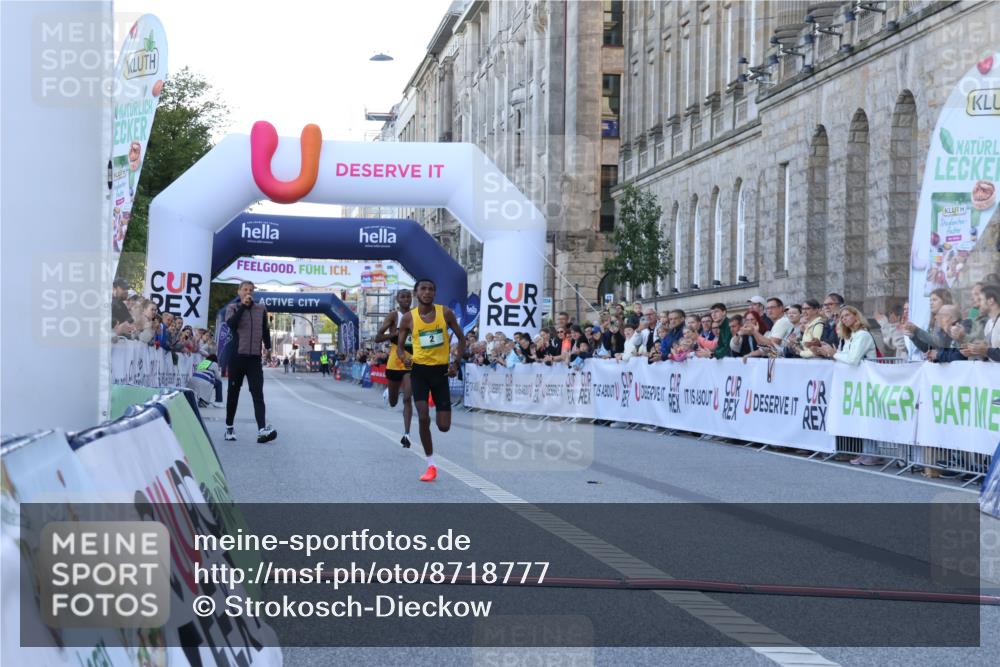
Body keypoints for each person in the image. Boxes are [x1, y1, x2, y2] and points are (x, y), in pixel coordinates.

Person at [396, 279, 465, 482]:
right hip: (419, 372)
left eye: (431, 289)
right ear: (416, 293)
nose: (427, 292)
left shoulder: (445, 313)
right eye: (423, 289)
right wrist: (404, 357)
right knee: (423, 416)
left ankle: (437, 406)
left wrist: (456, 363)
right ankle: (431, 464)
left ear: (435, 293)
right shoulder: (408, 318)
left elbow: (461, 339)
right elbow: (400, 348)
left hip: (441, 373)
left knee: (444, 426)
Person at [223, 281, 277, 444]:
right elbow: (231, 325)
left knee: (257, 393)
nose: (248, 292)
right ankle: (229, 427)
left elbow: (265, 330)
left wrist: (268, 348)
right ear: (239, 291)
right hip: (237, 357)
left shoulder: (261, 309)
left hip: (254, 358)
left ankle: (262, 430)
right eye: (245, 289)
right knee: (233, 393)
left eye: (251, 290)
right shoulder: (232, 308)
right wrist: (243, 307)